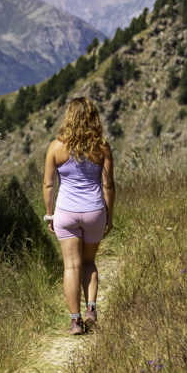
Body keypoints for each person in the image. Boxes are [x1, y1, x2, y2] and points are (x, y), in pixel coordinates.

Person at [43, 97, 115, 336]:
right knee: (88, 262)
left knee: (71, 266)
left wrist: (50, 214)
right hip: (94, 211)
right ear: (94, 118)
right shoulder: (102, 148)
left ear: (69, 117)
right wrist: (109, 216)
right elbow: (108, 185)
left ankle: (75, 321)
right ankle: (91, 309)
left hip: (66, 212)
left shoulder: (56, 147)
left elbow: (48, 185)